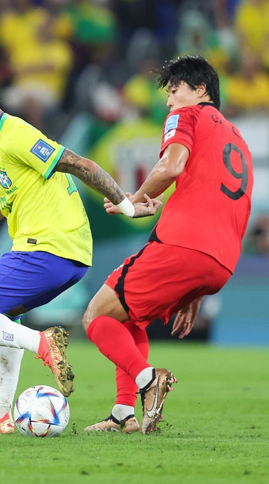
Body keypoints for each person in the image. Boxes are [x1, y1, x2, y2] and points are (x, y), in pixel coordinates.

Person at [0, 76, 159, 434]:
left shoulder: (16, 135)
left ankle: (42, 342)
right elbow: (2, 200)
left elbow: (81, 164)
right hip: (66, 255)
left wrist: (127, 207)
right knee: (1, 317)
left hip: (48, 249)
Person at [82, 55, 253, 435]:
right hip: (221, 262)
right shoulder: (238, 140)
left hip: (182, 245)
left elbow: (171, 166)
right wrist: (196, 292)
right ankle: (123, 414)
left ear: (201, 90)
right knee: (130, 316)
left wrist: (134, 201)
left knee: (98, 315)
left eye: (175, 89)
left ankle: (148, 381)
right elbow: (235, 208)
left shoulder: (188, 117)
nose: (169, 100)